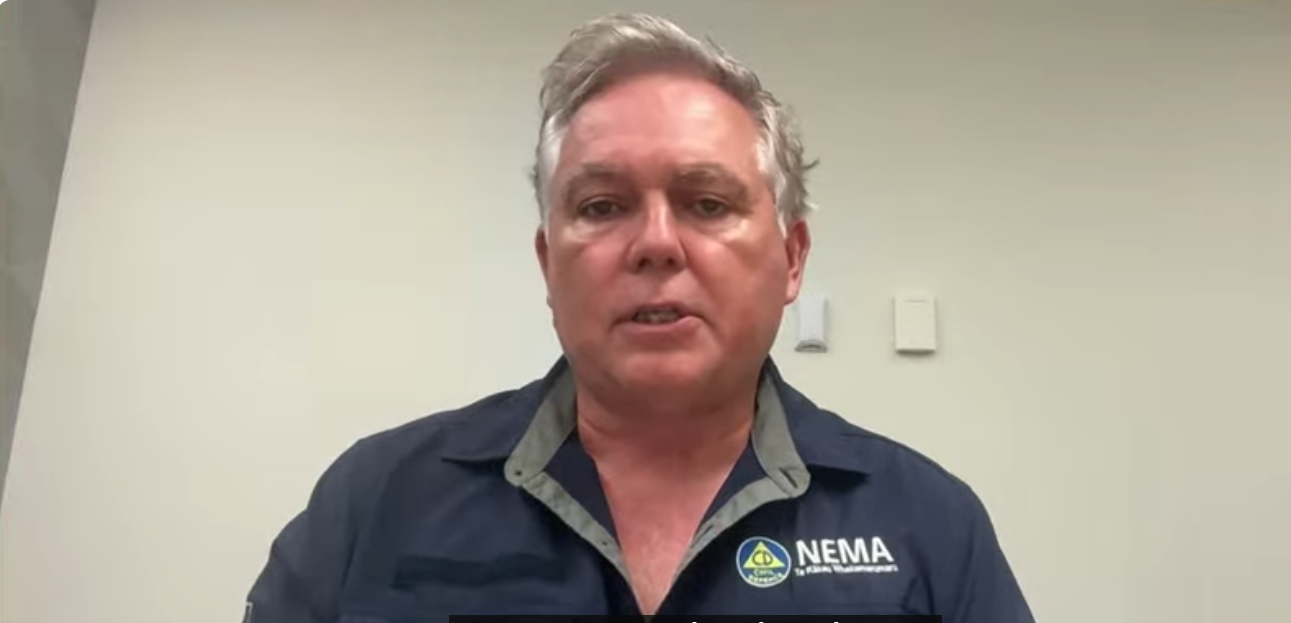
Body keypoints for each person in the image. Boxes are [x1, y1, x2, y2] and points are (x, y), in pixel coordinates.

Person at [245, 13, 1034, 621]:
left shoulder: (929, 523)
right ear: (548, 263)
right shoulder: (373, 501)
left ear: (792, 258)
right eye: (602, 205)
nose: (656, 242)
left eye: (707, 202)